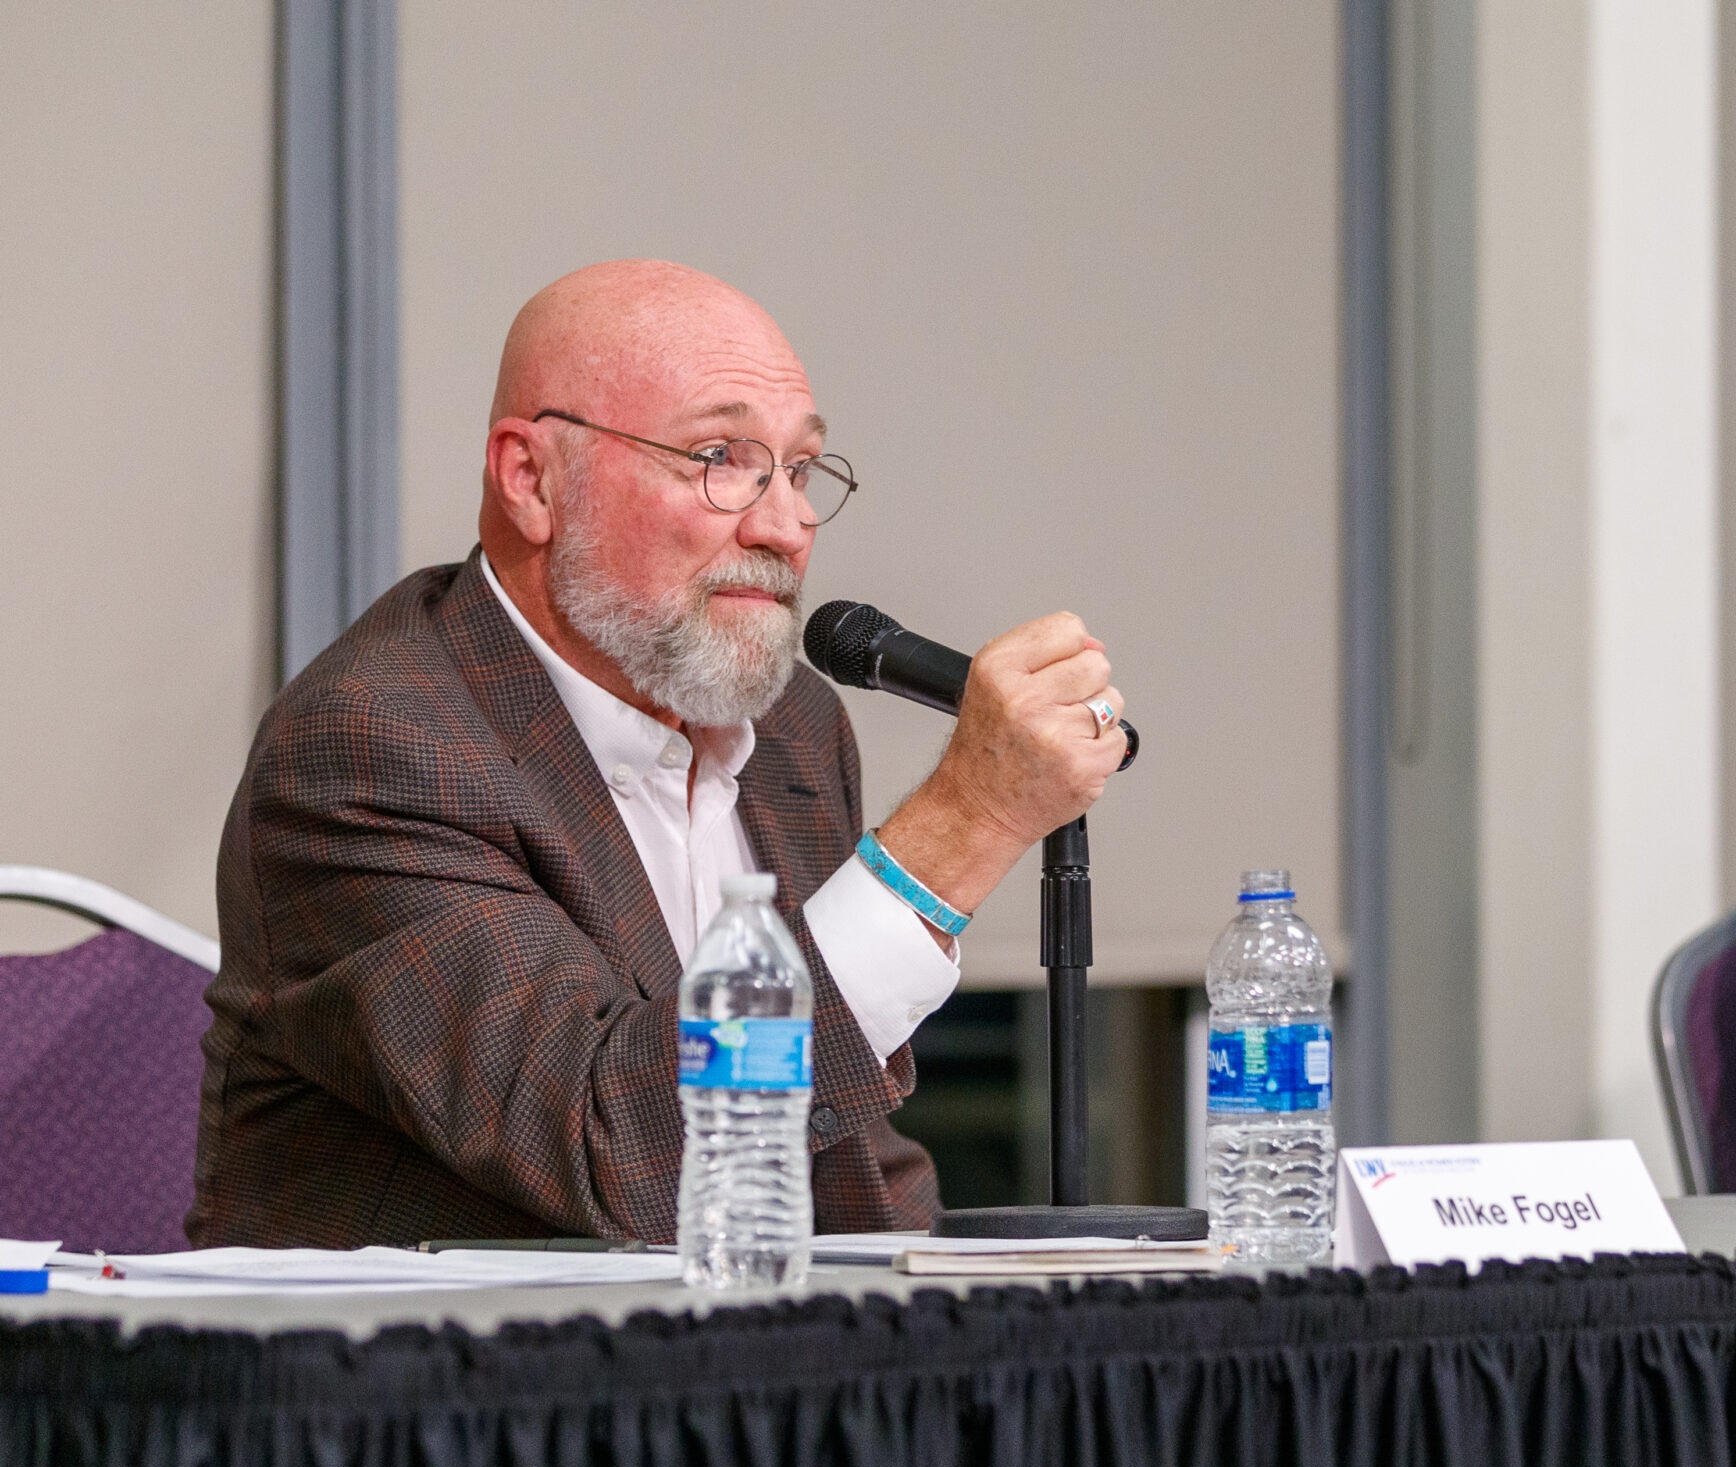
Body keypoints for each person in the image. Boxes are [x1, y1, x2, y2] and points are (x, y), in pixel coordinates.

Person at [190, 260, 1131, 1246]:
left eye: (800, 470)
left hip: (725, 1373)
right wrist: (965, 826)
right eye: (720, 456)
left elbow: (842, 1160)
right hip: (434, 1382)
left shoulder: (794, 730)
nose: (787, 526)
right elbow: (625, 1155)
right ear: (532, 480)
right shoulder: (374, 748)